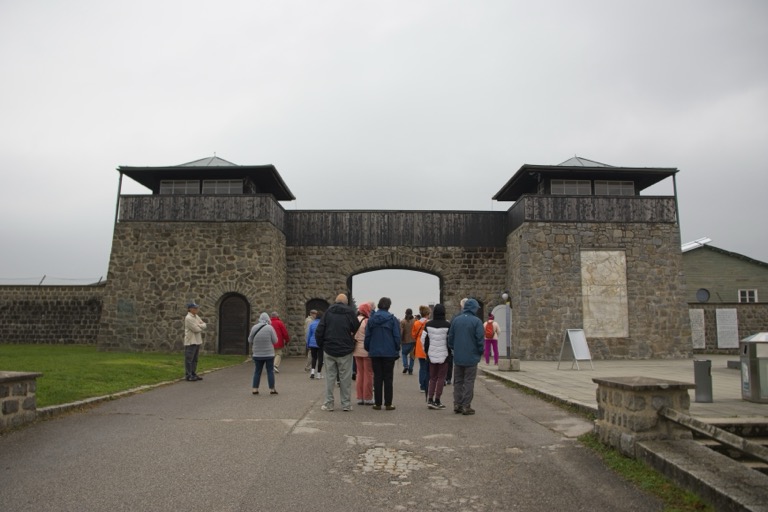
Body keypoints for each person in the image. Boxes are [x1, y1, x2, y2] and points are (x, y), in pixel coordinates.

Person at [315, 294, 360, 412]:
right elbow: (356, 326)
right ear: (345, 302)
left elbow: (320, 330)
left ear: (335, 301)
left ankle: (329, 403)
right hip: (345, 349)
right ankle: (346, 404)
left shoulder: (328, 313)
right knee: (345, 378)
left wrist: (322, 345)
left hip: (329, 348)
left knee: (330, 378)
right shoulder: (350, 313)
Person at [447, 298, 484, 415]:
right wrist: (480, 352)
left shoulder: (456, 320)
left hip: (458, 356)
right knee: (468, 381)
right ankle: (466, 405)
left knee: (458, 381)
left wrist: (454, 348)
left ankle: (457, 404)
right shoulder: (477, 321)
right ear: (474, 308)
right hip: (471, 357)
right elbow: (480, 340)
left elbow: (450, 338)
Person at [364, 297, 401, 411]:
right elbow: (396, 336)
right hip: (389, 352)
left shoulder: (371, 319)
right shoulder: (392, 319)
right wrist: (396, 348)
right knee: (388, 378)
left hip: (375, 351)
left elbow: (368, 336)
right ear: (389, 306)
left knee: (377, 377)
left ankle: (378, 403)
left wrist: (368, 348)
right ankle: (388, 403)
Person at [422, 304, 451, 409]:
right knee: (441, 378)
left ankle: (430, 399)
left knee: (432, 377)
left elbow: (423, 340)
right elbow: (450, 340)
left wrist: (426, 351)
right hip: (444, 354)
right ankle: (437, 400)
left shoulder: (428, 324)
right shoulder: (448, 325)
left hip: (431, 354)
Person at [248, 312, 279, 395]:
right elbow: (275, 340)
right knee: (270, 371)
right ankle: (272, 389)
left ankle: (255, 389)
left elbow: (250, 340)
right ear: (268, 319)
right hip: (269, 354)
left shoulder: (254, 327)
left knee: (257, 371)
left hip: (257, 353)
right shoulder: (270, 328)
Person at [353, 302, 374, 405]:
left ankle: (359, 397)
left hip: (356, 349)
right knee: (368, 374)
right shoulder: (367, 321)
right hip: (366, 350)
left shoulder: (354, 320)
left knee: (359, 373)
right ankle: (368, 397)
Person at [183, 302, 207, 382]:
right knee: (189, 359)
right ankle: (188, 375)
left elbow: (204, 325)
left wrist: (199, 325)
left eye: (196, 308)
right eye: (194, 308)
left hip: (197, 340)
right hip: (191, 341)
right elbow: (196, 329)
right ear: (190, 309)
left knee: (195, 359)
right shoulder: (188, 318)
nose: (196, 309)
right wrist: (200, 326)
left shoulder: (196, 316)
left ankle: (193, 373)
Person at [411, 305, 431, 393]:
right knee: (428, 367)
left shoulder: (416, 323)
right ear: (427, 314)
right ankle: (427, 384)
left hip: (419, 345)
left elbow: (413, 335)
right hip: (428, 345)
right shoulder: (429, 323)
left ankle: (421, 385)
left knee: (422, 367)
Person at [306, 311, 323, 379]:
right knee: (320, 359)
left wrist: (308, 344)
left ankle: (312, 372)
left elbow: (309, 334)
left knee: (314, 358)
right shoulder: (323, 324)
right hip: (320, 343)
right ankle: (318, 374)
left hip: (312, 343)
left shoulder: (312, 324)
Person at [399, 308, 416, 374]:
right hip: (413, 341)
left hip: (405, 341)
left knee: (404, 354)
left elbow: (401, 332)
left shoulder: (403, 321)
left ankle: (406, 365)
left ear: (405, 313)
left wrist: (400, 340)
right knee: (412, 355)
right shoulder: (415, 321)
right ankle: (410, 368)